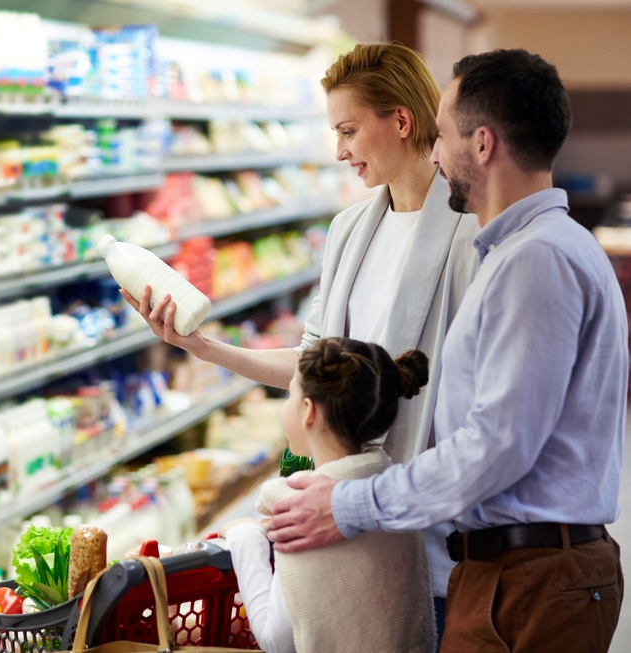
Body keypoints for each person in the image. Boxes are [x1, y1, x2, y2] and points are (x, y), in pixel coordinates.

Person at [266, 49, 627, 652]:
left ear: (482, 144)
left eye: (445, 135)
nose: (434, 153)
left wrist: (353, 503)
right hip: (510, 571)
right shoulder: (520, 251)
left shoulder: (535, 260)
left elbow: (498, 444)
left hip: (532, 577)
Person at [121, 42, 478, 624]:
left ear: (403, 121)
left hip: (430, 534)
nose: (339, 152)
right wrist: (199, 346)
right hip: (334, 516)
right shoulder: (349, 230)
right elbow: (313, 365)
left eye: (348, 130)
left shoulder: (471, 232)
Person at [219, 338, 436, 653]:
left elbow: (277, 641)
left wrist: (245, 536)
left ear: (308, 411)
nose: (285, 404)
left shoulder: (303, 511)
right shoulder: (391, 493)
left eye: (289, 394)